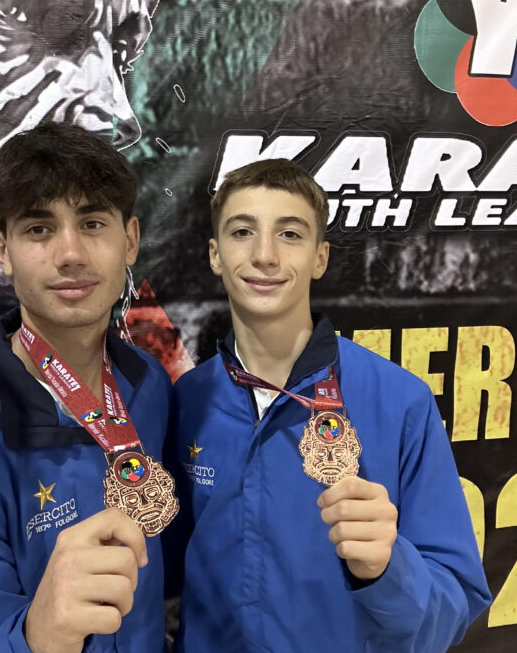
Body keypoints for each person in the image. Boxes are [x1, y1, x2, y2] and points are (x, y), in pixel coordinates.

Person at [171, 159, 492, 652]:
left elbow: (455, 605)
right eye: (242, 232)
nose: (264, 255)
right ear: (215, 254)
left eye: (290, 234)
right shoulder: (187, 401)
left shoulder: (400, 401)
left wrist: (386, 569)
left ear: (320, 258)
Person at [0, 123, 177, 653]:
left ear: (130, 240)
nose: (70, 253)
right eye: (38, 229)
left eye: (92, 223)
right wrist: (40, 634)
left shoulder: (149, 384)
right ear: (1, 249)